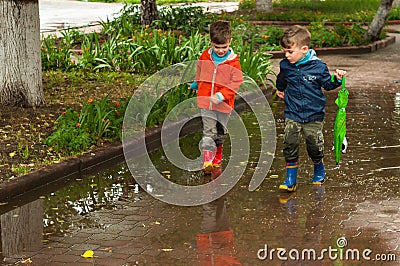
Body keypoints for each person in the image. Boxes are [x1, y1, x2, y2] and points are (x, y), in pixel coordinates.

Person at [275, 25, 347, 192]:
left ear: (304, 49)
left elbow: (327, 85)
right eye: (284, 51)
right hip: (293, 113)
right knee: (289, 142)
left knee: (314, 145)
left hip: (314, 115)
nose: (286, 55)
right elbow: (282, 78)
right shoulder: (286, 65)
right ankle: (291, 179)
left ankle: (319, 167)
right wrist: (280, 88)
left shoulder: (318, 67)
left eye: (290, 52)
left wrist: (336, 79)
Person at [189, 20, 243, 174]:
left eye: (224, 47)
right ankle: (207, 160)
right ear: (211, 42)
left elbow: (236, 82)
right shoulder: (205, 56)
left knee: (220, 132)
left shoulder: (233, 62)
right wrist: (196, 84)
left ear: (230, 42)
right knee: (209, 131)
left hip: (224, 105)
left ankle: (217, 156)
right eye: (217, 47)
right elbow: (201, 71)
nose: (220, 51)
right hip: (206, 102)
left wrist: (221, 95)